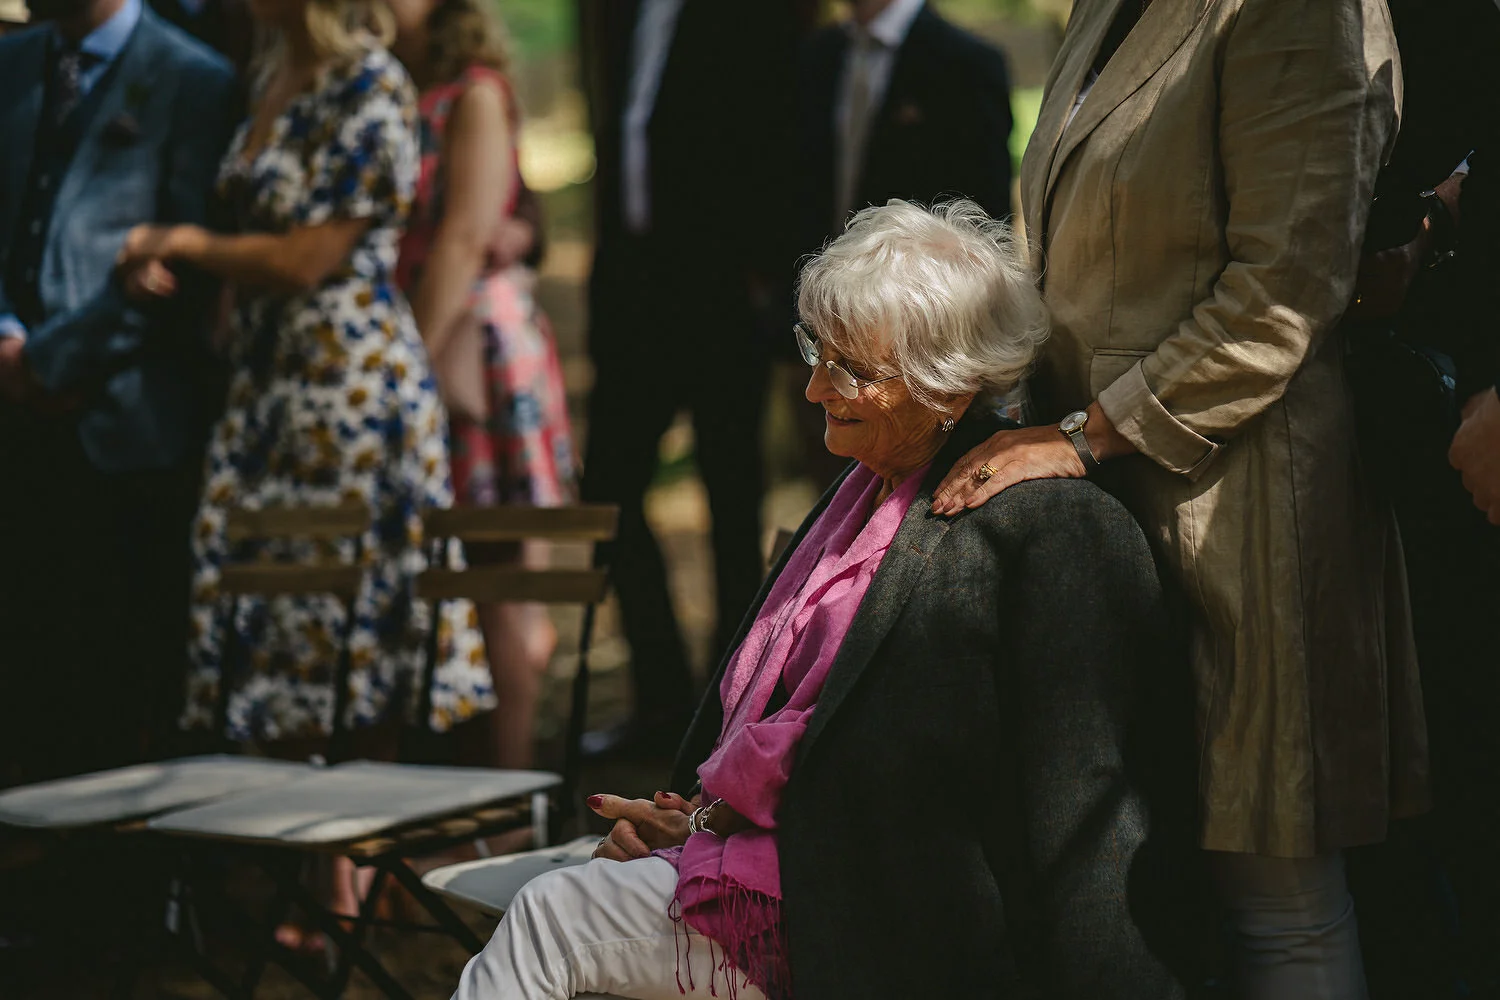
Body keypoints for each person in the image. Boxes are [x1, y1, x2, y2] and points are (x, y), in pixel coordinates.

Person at [450, 200, 1190, 1000]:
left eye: (851, 370)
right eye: (816, 352)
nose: (811, 388)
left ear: (950, 386)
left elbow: (1069, 800)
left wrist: (712, 828)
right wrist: (697, 822)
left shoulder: (1047, 526)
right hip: (776, 869)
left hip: (877, 914)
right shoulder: (861, 488)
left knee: (555, 916)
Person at [930, 1, 1429, 996]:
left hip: (1241, 506)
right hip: (1098, 503)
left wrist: (1080, 435)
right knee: (1152, 883)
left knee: (1275, 891)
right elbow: (1062, 253)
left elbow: (1286, 288)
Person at [116, 0, 494, 752]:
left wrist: (185, 243)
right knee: (275, 632)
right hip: (266, 385)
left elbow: (305, 258)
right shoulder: (270, 74)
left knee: (346, 625)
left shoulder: (370, 82)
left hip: (346, 390)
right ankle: (312, 859)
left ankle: (352, 853)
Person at [0, 0, 235, 786]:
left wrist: (50, 363)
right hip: (13, 420)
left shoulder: (192, 78)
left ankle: (126, 895)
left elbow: (185, 271)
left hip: (127, 429)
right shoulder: (9, 64)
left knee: (117, 674)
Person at [575, 0, 799, 757]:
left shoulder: (750, 15)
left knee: (732, 501)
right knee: (606, 489)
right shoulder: (623, 13)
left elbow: (777, 138)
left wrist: (766, 285)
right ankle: (662, 698)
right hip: (635, 290)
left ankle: (727, 712)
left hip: (721, 293)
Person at [388, 0, 577, 769]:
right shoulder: (375, 91)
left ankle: (512, 793)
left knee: (501, 571)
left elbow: (475, 231)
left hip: (467, 354)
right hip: (407, 342)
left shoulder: (475, 91)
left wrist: (404, 367)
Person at [790, 0, 1014, 488]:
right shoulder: (818, 55)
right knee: (839, 485)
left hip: (917, 326)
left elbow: (987, 212)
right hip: (825, 308)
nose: (815, 391)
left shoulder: (966, 62)